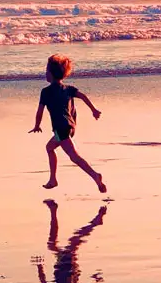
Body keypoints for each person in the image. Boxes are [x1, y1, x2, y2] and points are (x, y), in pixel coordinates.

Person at [29, 54, 107, 193]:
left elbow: (40, 110)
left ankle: (95, 176)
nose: (45, 73)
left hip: (61, 128)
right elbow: (83, 96)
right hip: (70, 127)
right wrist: (93, 110)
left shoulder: (46, 92)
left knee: (73, 156)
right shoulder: (68, 89)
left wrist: (37, 125)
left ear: (51, 74)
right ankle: (53, 179)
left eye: (47, 71)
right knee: (50, 147)